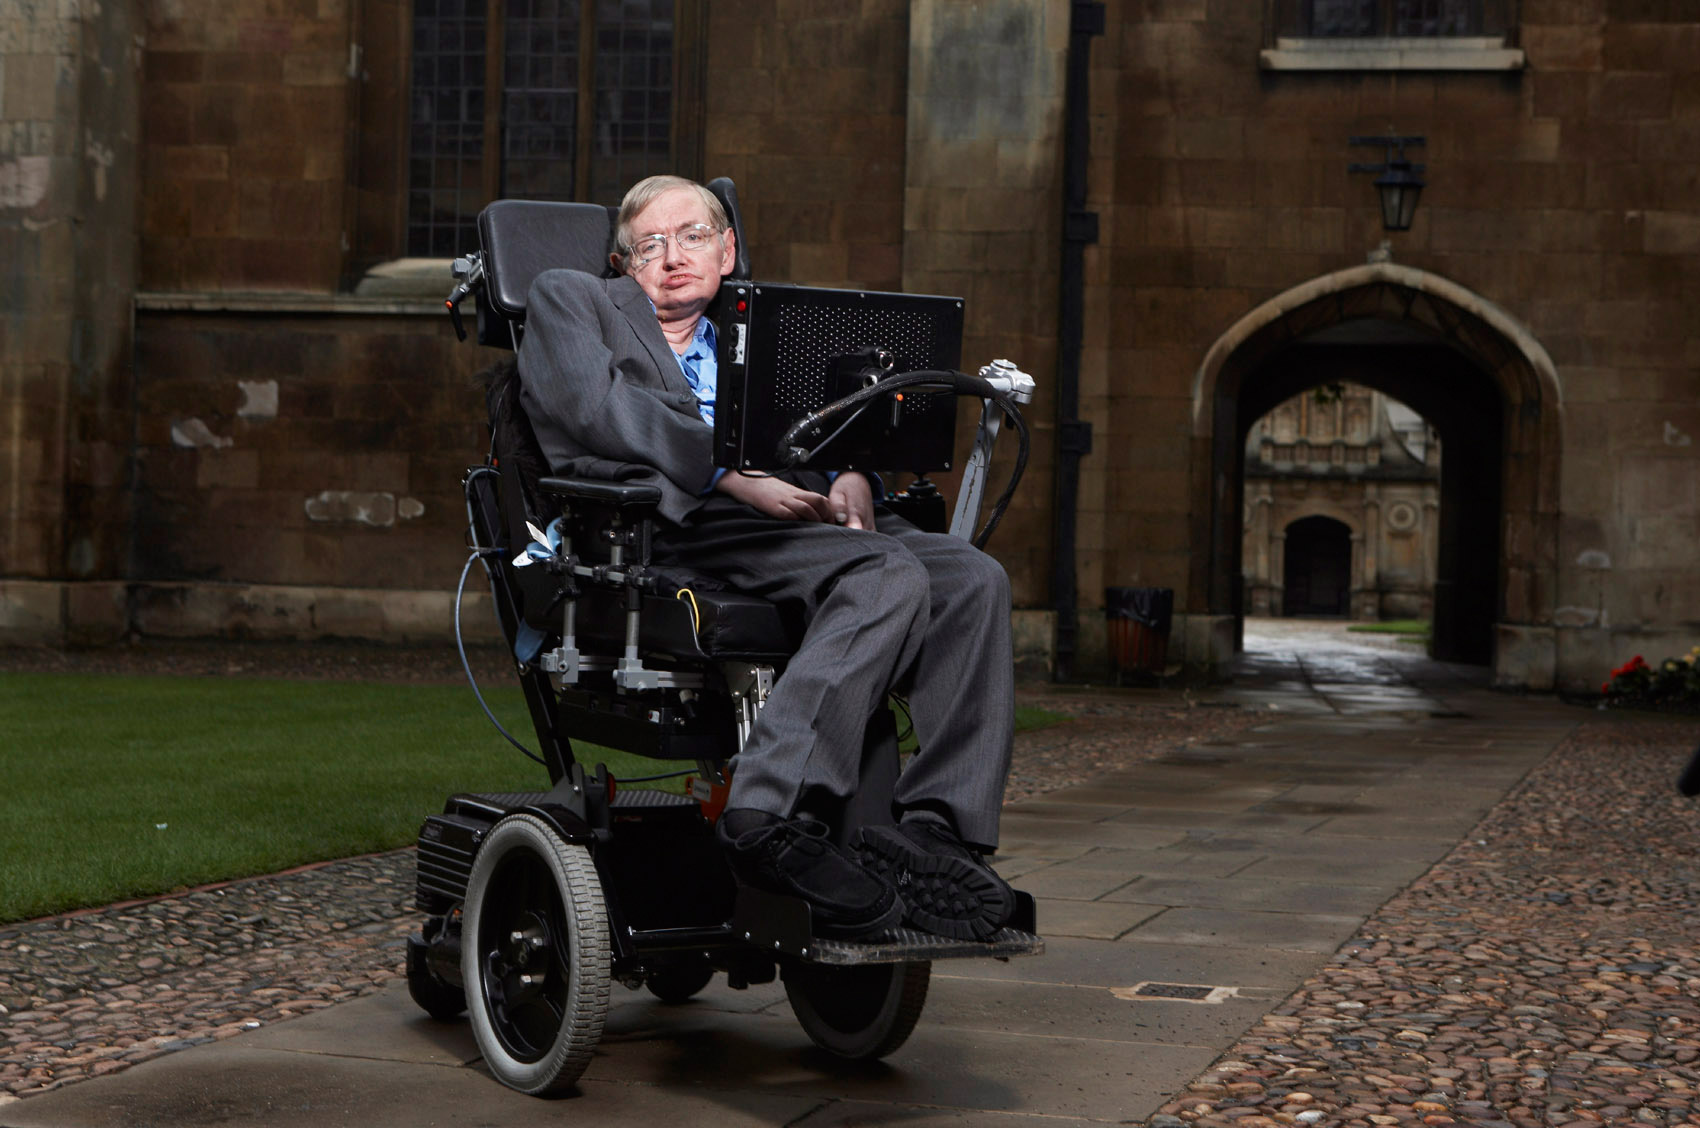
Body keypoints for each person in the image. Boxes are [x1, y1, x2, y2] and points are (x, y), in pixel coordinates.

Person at [518, 175, 1016, 941]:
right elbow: (600, 410)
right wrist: (732, 473)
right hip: (680, 520)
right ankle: (766, 809)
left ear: (728, 250)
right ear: (621, 266)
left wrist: (851, 467)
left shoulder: (765, 329)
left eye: (691, 237)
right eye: (648, 245)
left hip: (802, 514)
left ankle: (940, 834)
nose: (671, 257)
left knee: (973, 580)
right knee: (887, 574)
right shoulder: (570, 299)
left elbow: (827, 425)